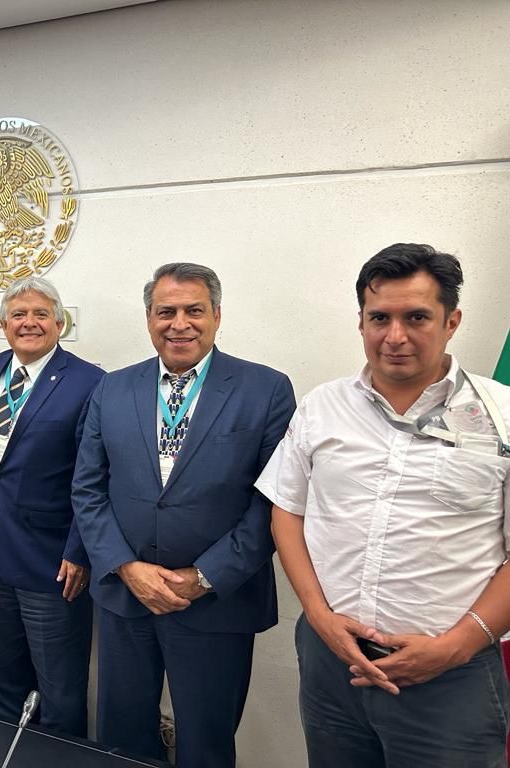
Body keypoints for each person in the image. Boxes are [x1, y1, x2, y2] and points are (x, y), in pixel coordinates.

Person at [256, 243, 510, 768]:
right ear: (361, 321)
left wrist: (459, 645)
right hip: (331, 666)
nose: (395, 336)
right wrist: (320, 617)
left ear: (452, 320)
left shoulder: (502, 415)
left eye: (417, 317)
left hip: (449, 680)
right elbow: (288, 512)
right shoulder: (322, 406)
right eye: (380, 318)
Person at [72, 263, 295, 767]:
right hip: (126, 597)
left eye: (194, 310)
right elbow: (87, 488)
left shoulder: (266, 389)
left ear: (216, 316)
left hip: (216, 604)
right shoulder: (112, 389)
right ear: (149, 319)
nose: (180, 323)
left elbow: (274, 503)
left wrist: (203, 577)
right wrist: (126, 568)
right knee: (121, 739)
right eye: (165, 312)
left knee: (206, 743)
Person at [0, 276, 102, 737]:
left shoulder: (89, 381)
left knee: (59, 688)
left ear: (60, 323)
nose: (29, 323)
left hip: (53, 563)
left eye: (41, 314)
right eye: (19, 315)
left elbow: (94, 476)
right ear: (4, 325)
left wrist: (80, 551)